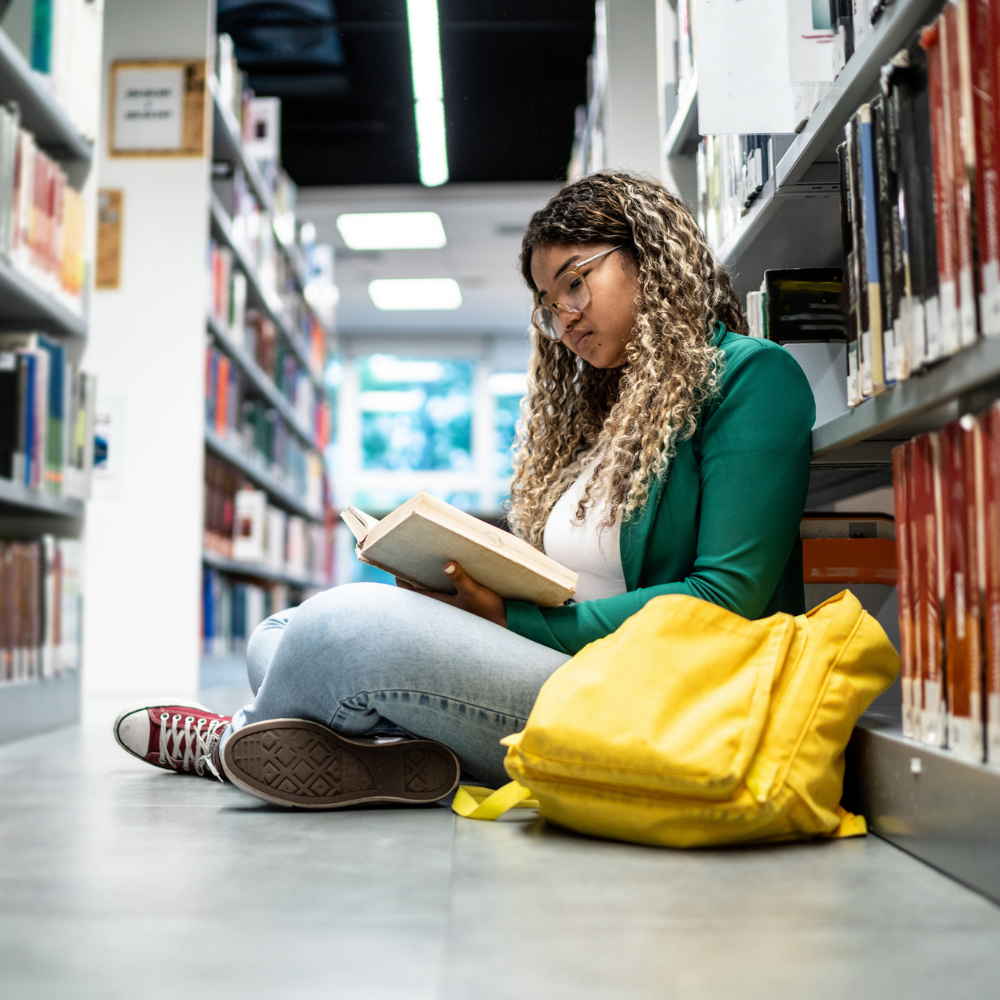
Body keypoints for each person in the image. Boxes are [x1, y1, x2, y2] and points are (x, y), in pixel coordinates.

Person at [113, 171, 815, 809]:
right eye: (547, 302)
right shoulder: (613, 416)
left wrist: (508, 620)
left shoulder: (750, 378)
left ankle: (229, 744)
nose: (563, 315)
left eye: (575, 282)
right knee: (283, 634)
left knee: (336, 633)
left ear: (651, 260)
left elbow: (725, 601)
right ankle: (397, 758)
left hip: (653, 697)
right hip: (570, 665)